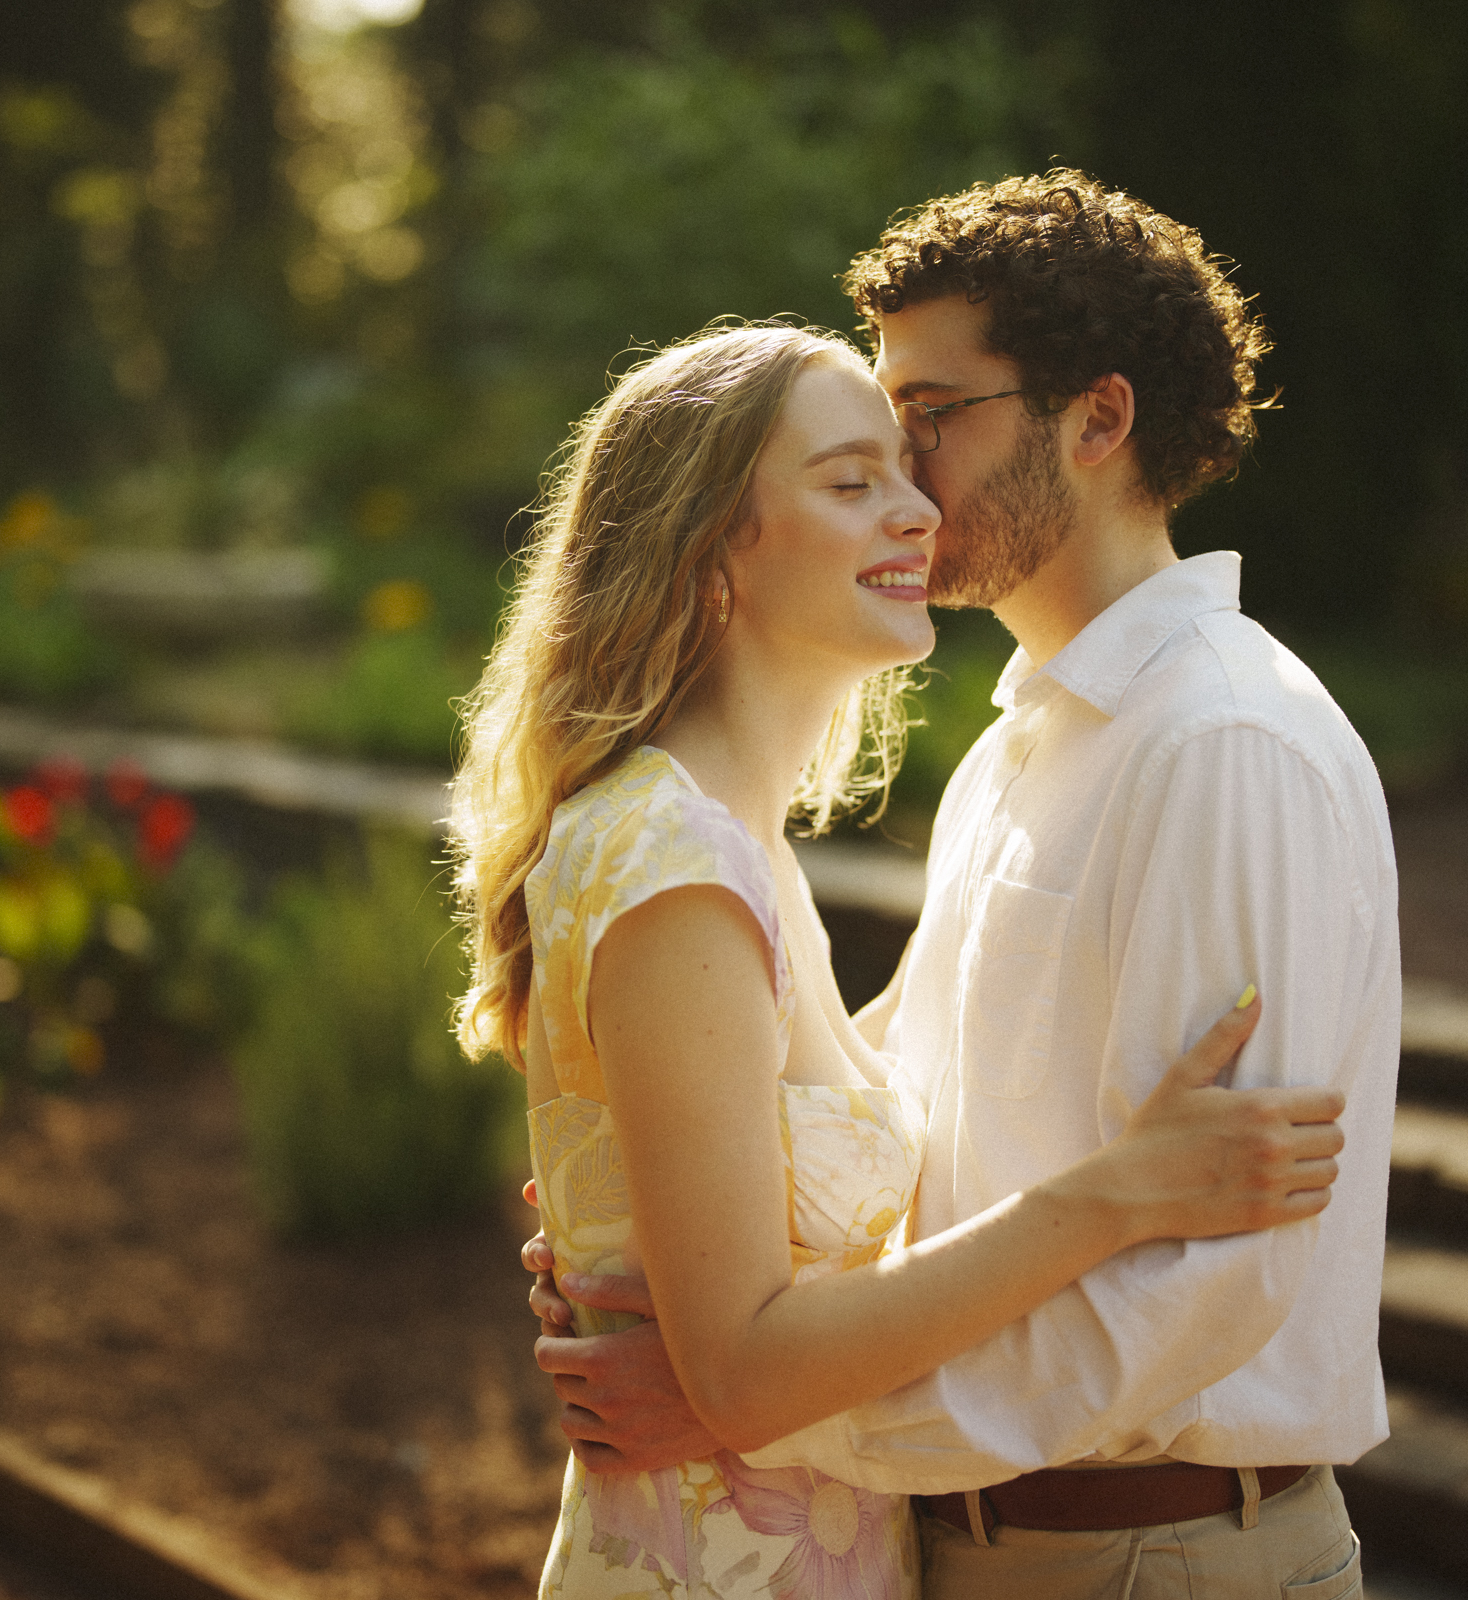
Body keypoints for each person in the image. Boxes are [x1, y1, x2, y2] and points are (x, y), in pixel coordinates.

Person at [522, 172, 1401, 1600]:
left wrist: (780, 1410)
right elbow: (914, 1128)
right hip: (969, 1543)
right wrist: (663, 1214)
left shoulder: (1225, 744)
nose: (908, 470)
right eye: (879, 429)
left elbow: (1212, 1281)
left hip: (1154, 1556)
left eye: (935, 418)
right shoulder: (1018, 748)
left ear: (1097, 421)